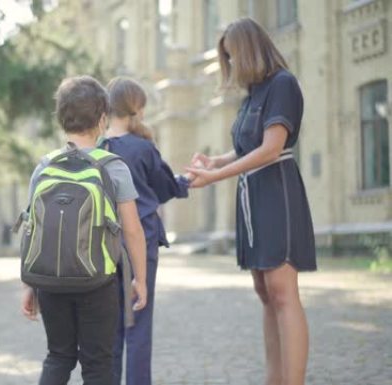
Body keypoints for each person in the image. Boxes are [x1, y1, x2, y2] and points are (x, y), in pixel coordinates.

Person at [185, 18, 316, 385]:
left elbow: (272, 148)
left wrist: (216, 178)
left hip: (277, 193)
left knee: (282, 290)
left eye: (233, 55)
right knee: (264, 292)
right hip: (253, 197)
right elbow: (247, 147)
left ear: (251, 49)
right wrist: (215, 162)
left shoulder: (282, 85)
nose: (232, 65)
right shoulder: (252, 95)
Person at [20, 75, 149, 385]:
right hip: (98, 283)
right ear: (103, 119)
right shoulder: (112, 166)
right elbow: (132, 230)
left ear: (62, 119)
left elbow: (32, 228)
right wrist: (140, 279)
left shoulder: (44, 167)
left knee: (59, 356)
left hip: (51, 282)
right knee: (98, 365)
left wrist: (30, 284)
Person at [101, 77, 191, 385]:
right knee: (138, 324)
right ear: (135, 108)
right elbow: (164, 187)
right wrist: (188, 180)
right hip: (140, 241)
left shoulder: (95, 149)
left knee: (109, 328)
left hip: (102, 245)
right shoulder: (142, 148)